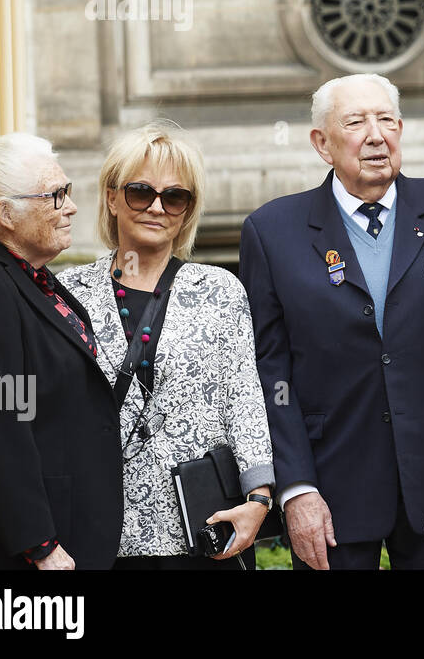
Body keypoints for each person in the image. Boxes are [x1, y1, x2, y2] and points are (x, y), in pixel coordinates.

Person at [241, 74, 424, 570]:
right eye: (356, 122)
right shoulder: (272, 232)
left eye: (386, 120)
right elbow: (269, 372)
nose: (376, 135)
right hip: (330, 493)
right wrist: (296, 488)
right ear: (322, 143)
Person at [59, 123, 273, 568]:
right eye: (141, 192)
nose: (157, 206)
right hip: (101, 530)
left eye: (175, 196)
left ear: (187, 210)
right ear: (112, 197)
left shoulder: (220, 289)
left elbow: (244, 400)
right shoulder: (68, 292)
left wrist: (259, 499)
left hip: (204, 527)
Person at [0, 133, 122, 569]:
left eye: (68, 191)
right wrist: (39, 544)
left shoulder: (36, 277)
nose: (72, 206)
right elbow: (2, 418)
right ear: (5, 213)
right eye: (55, 195)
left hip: (77, 526)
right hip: (43, 546)